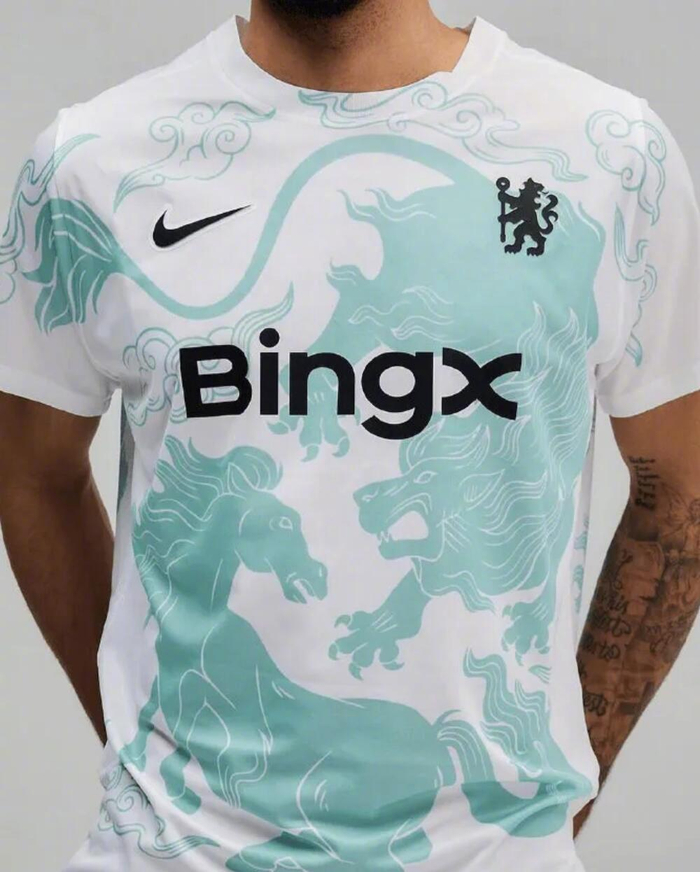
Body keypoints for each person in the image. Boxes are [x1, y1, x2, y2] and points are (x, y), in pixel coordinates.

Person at [1, 1, 699, 869]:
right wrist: (145, 743)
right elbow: (30, 472)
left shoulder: (608, 154)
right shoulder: (92, 164)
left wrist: (545, 803)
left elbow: (682, 485)